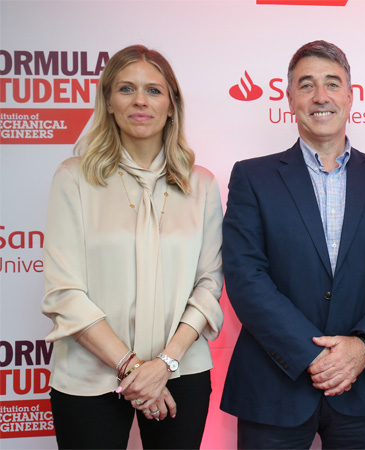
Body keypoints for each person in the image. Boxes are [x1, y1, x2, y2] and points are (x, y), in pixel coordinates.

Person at [220, 40, 365, 449]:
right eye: (306, 85)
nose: (320, 96)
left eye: (332, 83)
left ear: (351, 96)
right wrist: (313, 355)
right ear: (289, 99)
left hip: (363, 387)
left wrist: (363, 346)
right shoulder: (253, 177)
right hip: (273, 387)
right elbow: (245, 276)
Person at [41, 45, 224, 449]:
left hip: (180, 374)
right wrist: (135, 368)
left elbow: (208, 286)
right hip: (90, 378)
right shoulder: (74, 179)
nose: (141, 101)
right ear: (108, 101)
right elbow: (65, 293)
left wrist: (165, 364)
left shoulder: (202, 185)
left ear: (172, 105)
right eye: (126, 88)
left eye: (154, 91)